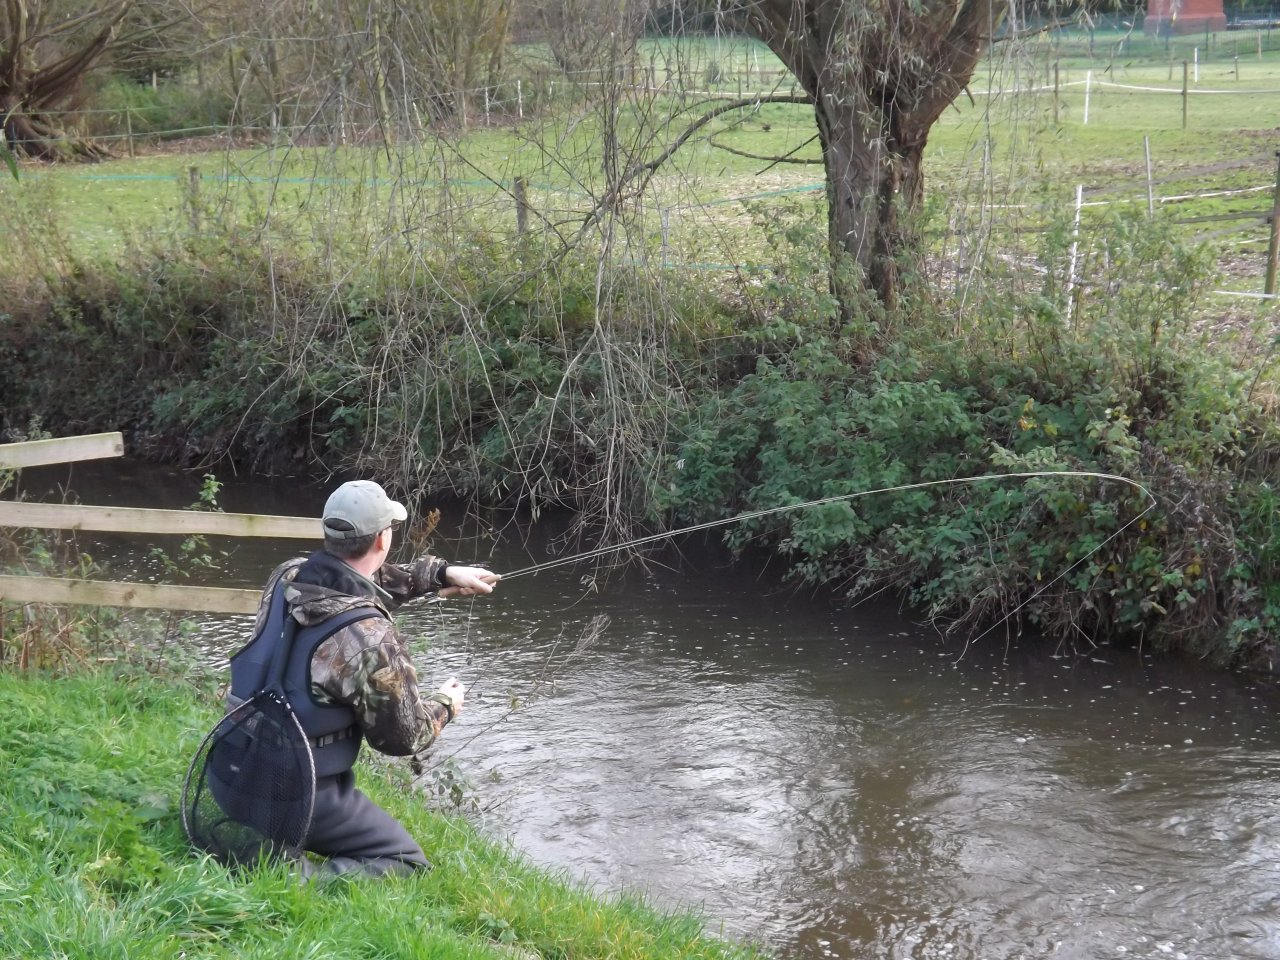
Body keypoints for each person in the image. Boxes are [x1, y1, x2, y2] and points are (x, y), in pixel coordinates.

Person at [224, 479, 500, 878]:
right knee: (407, 864)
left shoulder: (288, 577)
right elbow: (404, 739)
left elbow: (362, 582)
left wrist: (443, 573)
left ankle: (266, 846)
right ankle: (293, 878)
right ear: (382, 540)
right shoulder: (370, 639)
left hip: (232, 769)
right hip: (295, 796)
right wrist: (445, 706)